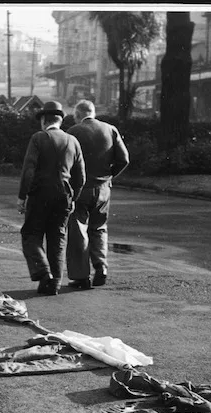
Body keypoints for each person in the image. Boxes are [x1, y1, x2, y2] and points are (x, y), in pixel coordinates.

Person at [17, 101, 86, 295]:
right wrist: (73, 199)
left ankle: (42, 271)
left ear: (43, 121)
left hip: (39, 195)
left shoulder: (39, 138)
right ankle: (52, 284)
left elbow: (28, 170)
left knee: (31, 235)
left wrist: (22, 196)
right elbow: (81, 177)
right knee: (57, 240)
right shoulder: (73, 141)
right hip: (64, 196)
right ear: (60, 120)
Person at [66, 99, 130, 289]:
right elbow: (124, 159)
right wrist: (109, 175)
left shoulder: (73, 132)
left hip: (80, 189)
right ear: (93, 112)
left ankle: (81, 276)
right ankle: (101, 266)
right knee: (99, 228)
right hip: (103, 188)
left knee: (78, 230)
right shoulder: (110, 129)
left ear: (77, 115)